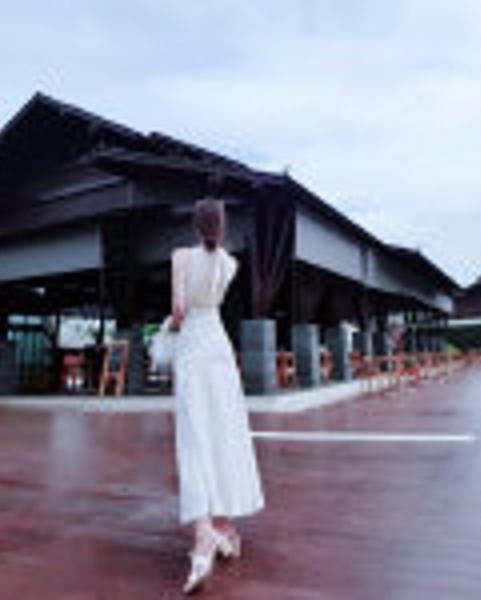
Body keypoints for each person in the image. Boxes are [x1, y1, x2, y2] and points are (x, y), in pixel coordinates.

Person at [170, 198, 265, 594]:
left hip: (193, 344)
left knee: (194, 436)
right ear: (222, 227)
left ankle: (204, 533)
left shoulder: (181, 257)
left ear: (195, 225)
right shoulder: (230, 264)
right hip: (218, 346)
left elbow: (179, 311)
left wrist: (167, 329)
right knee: (224, 431)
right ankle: (224, 526)